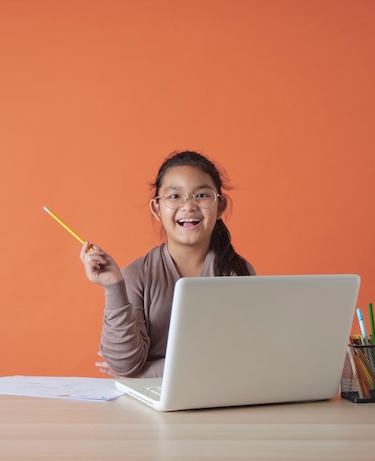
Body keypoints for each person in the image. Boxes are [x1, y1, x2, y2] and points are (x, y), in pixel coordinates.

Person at [80, 151, 255, 377]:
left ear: (219, 206)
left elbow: (236, 361)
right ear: (157, 209)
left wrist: (143, 374)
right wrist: (114, 286)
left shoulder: (238, 273)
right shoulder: (137, 275)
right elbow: (124, 365)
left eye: (201, 195)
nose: (188, 206)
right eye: (174, 196)